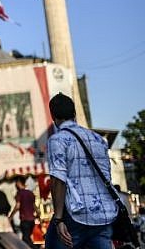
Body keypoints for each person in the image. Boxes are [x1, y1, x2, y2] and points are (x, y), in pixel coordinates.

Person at [44, 93, 117, 249]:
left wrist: (58, 219)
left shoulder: (58, 139)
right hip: (104, 214)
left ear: (53, 116)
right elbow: (107, 175)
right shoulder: (98, 139)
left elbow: (58, 180)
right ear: (74, 113)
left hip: (77, 215)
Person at [8, 175, 38, 248]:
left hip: (25, 220)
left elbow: (17, 206)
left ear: (18, 183)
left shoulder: (20, 193)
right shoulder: (30, 193)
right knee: (27, 238)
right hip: (32, 220)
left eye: (16, 183)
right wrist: (38, 215)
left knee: (25, 239)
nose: (15, 185)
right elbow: (34, 206)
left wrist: (11, 216)